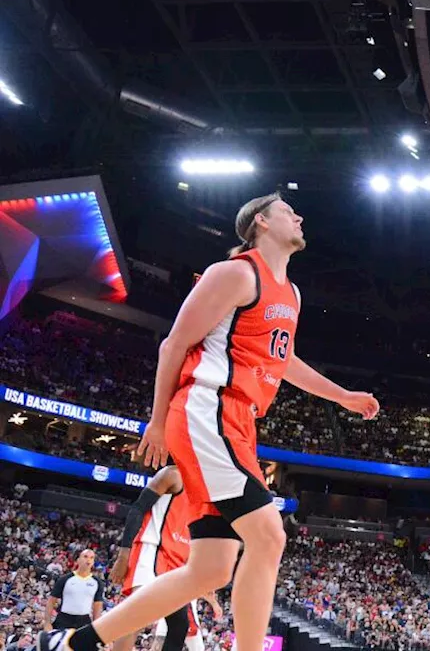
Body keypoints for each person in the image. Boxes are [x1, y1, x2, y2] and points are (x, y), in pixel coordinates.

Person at [40, 193, 380, 651]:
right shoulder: (236, 273)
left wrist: (342, 396)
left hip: (239, 421)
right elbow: (173, 344)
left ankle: (71, 644)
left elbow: (284, 361)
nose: (299, 216)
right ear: (261, 221)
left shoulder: (291, 292)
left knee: (212, 568)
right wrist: (157, 422)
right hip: (207, 409)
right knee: (268, 535)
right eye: (287, 211)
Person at [107, 466, 221, 651]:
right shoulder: (174, 475)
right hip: (153, 550)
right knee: (135, 619)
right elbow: (137, 509)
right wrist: (123, 556)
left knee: (179, 625)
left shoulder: (209, 496)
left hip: (178, 562)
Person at [44, 551, 103, 632]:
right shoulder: (65, 579)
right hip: (64, 620)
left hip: (84, 621)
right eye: (85, 557)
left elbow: (98, 606)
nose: (88, 560)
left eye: (91, 558)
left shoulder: (97, 582)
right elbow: (51, 602)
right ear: (78, 560)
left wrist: (97, 627)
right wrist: (47, 623)